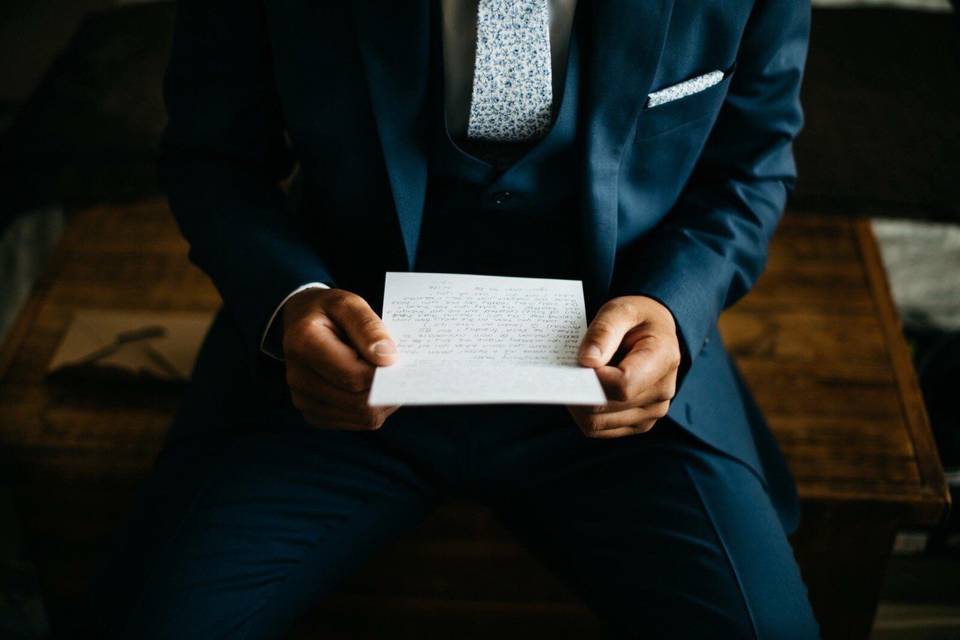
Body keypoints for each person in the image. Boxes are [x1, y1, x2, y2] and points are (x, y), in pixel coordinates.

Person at [86, 0, 820, 637]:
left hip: (619, 388)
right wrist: (290, 303)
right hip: (337, 371)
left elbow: (750, 166)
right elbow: (212, 158)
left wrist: (671, 307)